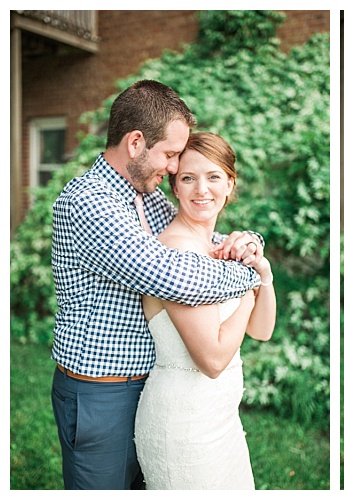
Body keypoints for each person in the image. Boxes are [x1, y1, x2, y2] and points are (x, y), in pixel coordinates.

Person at [50, 80, 265, 490]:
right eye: (169, 154)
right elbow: (176, 275)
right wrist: (253, 275)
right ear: (135, 143)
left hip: (149, 386)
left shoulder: (144, 195)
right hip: (101, 392)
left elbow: (204, 239)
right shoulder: (89, 202)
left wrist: (251, 242)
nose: (172, 168)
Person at [133, 131, 276, 489]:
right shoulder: (177, 254)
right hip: (184, 428)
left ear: (230, 183)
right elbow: (211, 360)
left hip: (223, 422)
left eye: (213, 177)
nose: (202, 190)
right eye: (188, 178)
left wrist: (265, 275)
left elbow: (261, 331)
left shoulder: (216, 245)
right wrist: (247, 286)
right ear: (175, 188)